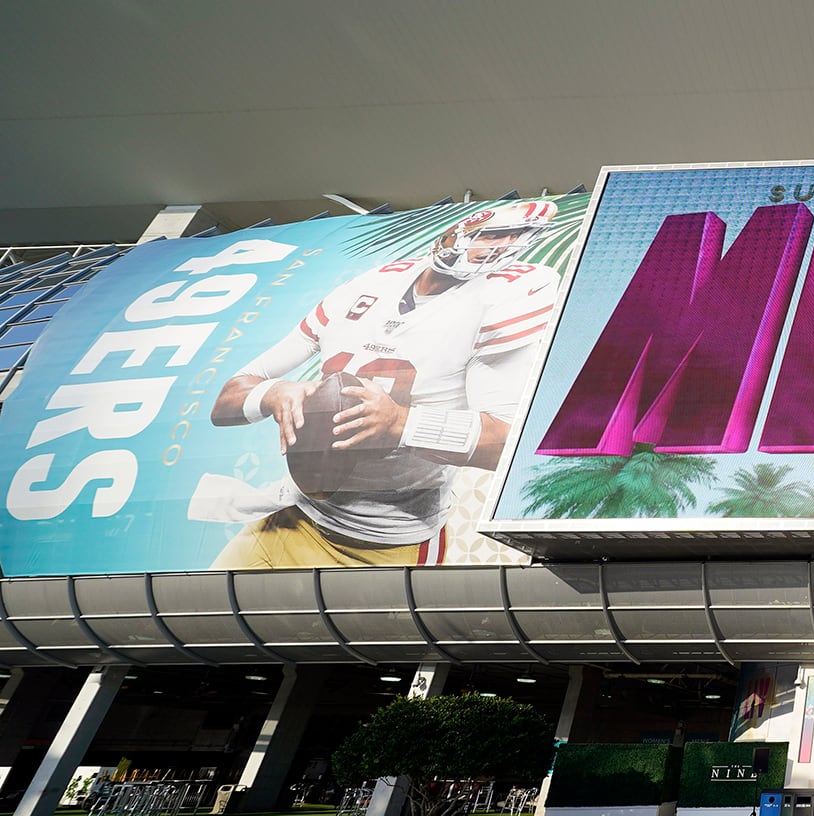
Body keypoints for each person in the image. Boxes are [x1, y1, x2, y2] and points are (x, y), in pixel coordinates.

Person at [203, 199, 561, 568]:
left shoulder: (506, 297)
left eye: (516, 237)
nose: (502, 246)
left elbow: (507, 445)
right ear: (458, 231)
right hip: (290, 519)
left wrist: (401, 423)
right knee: (205, 618)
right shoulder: (373, 284)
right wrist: (274, 393)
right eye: (494, 235)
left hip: (386, 543)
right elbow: (227, 400)